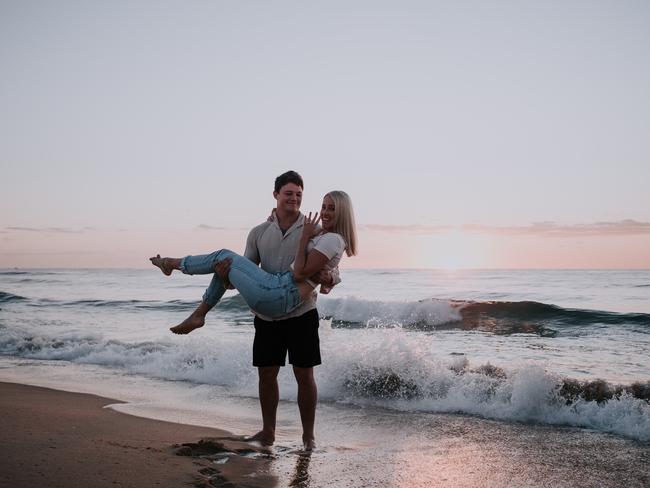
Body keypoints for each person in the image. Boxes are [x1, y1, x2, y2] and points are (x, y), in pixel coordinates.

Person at [151, 171, 357, 450]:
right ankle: (267, 432)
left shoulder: (313, 231)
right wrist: (225, 277)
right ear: (276, 195)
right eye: (289, 193)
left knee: (304, 376)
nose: (294, 199)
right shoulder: (259, 233)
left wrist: (331, 279)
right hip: (267, 313)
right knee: (266, 373)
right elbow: (242, 278)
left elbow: (331, 263)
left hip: (301, 313)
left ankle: (308, 436)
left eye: (299, 194)